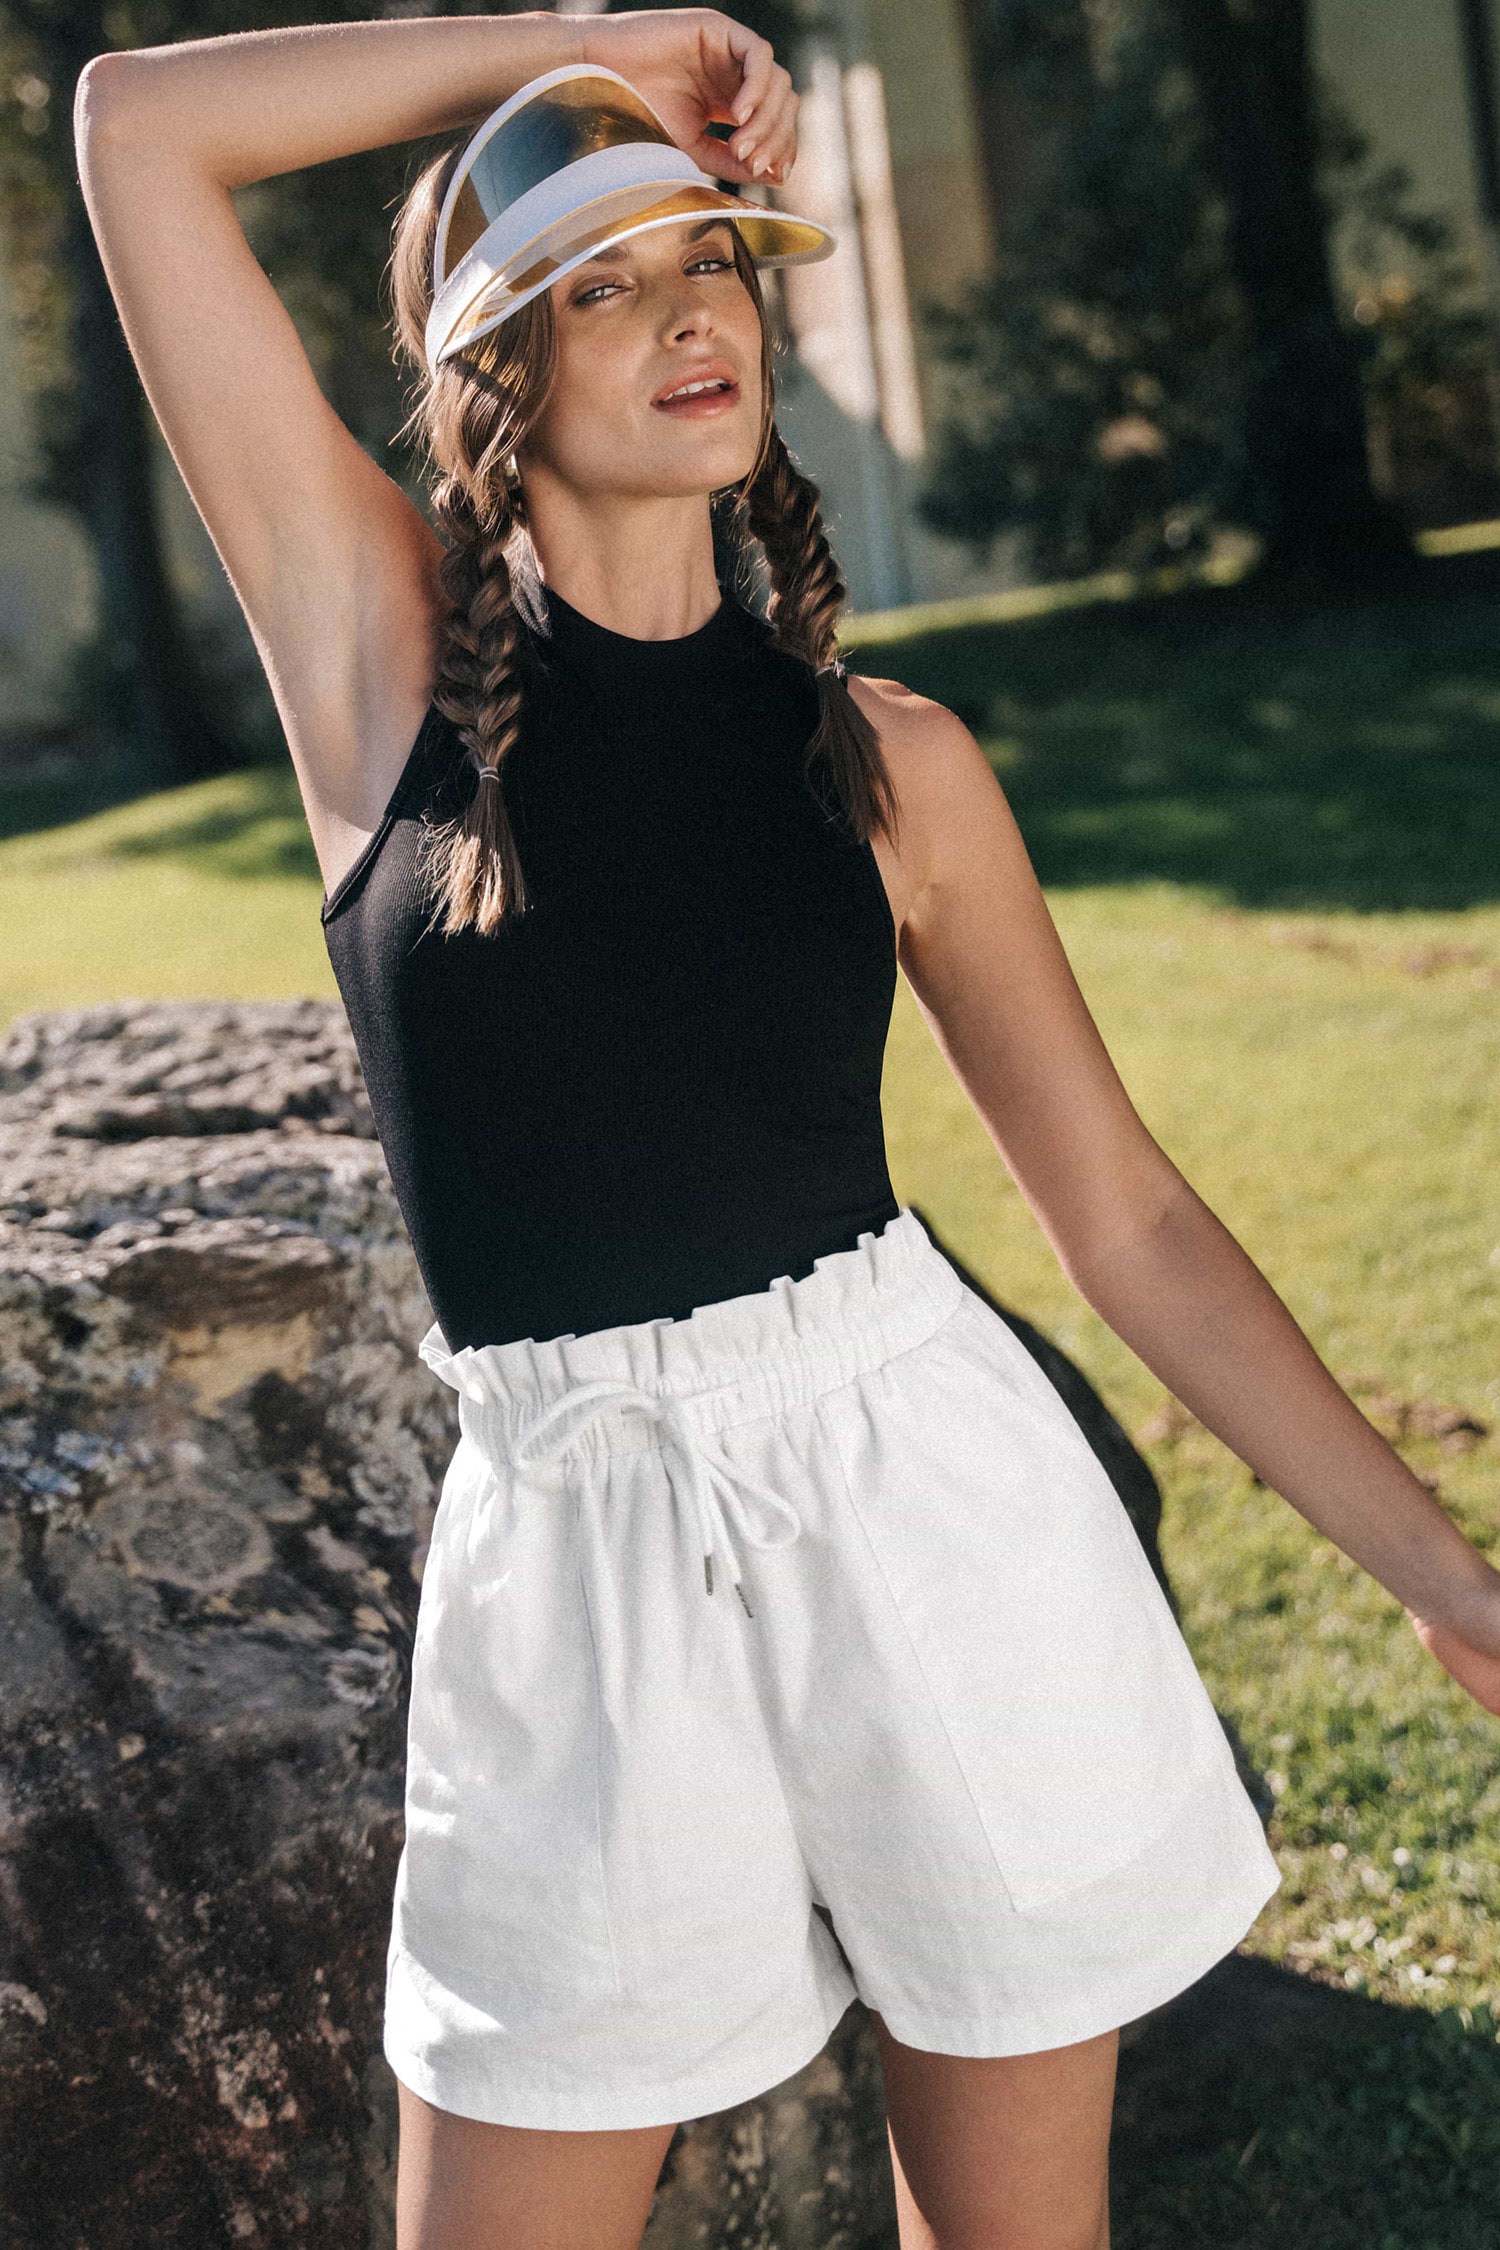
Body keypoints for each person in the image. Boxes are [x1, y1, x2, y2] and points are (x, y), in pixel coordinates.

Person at [76, 11, 1500, 2249]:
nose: (689, 317)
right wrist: (590, 44)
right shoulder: (377, 667)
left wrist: (1444, 1574)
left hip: (935, 1512)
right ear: (494, 372)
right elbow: (136, 128)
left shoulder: (899, 763)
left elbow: (1126, 1218)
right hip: (577, 1568)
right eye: (604, 285)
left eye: (709, 260)